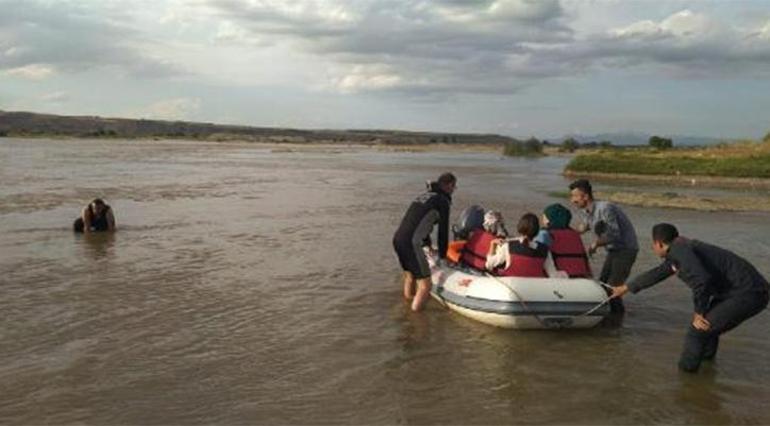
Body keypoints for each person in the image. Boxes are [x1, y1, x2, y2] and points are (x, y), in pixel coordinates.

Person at [611, 223, 769, 372]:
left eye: (653, 245)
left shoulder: (679, 250)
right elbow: (658, 273)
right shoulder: (681, 249)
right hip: (739, 291)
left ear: (658, 243)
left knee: (698, 330)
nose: (653, 248)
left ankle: (686, 379)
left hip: (748, 292)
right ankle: (705, 373)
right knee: (708, 329)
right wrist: (625, 288)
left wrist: (698, 313)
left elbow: (701, 280)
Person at [569, 179, 638, 312]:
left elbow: (614, 234)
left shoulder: (605, 208)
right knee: (602, 285)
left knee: (613, 289)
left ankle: (617, 321)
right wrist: (562, 230)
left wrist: (596, 243)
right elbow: (583, 228)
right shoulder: (587, 211)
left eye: (574, 196)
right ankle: (609, 318)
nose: (572, 200)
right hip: (614, 251)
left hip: (626, 249)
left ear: (585, 196)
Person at [393, 172, 456, 312]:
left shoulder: (424, 196)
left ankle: (407, 308)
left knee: (410, 276)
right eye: (454, 187)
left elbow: (419, 222)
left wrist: (427, 245)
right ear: (449, 185)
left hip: (398, 239)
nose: (453, 190)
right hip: (411, 244)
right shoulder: (443, 201)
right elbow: (443, 232)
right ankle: (415, 320)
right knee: (425, 285)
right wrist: (443, 257)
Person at [486, 213, 563, 278]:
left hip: (512, 284)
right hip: (534, 287)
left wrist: (492, 244)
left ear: (519, 227)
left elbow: (489, 265)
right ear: (536, 231)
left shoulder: (508, 245)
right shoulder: (545, 250)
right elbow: (553, 274)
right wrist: (565, 275)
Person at [536, 203, 592, 278]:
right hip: (581, 276)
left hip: (559, 278)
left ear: (548, 219)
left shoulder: (544, 234)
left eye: (544, 217)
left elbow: (536, 258)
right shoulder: (575, 234)